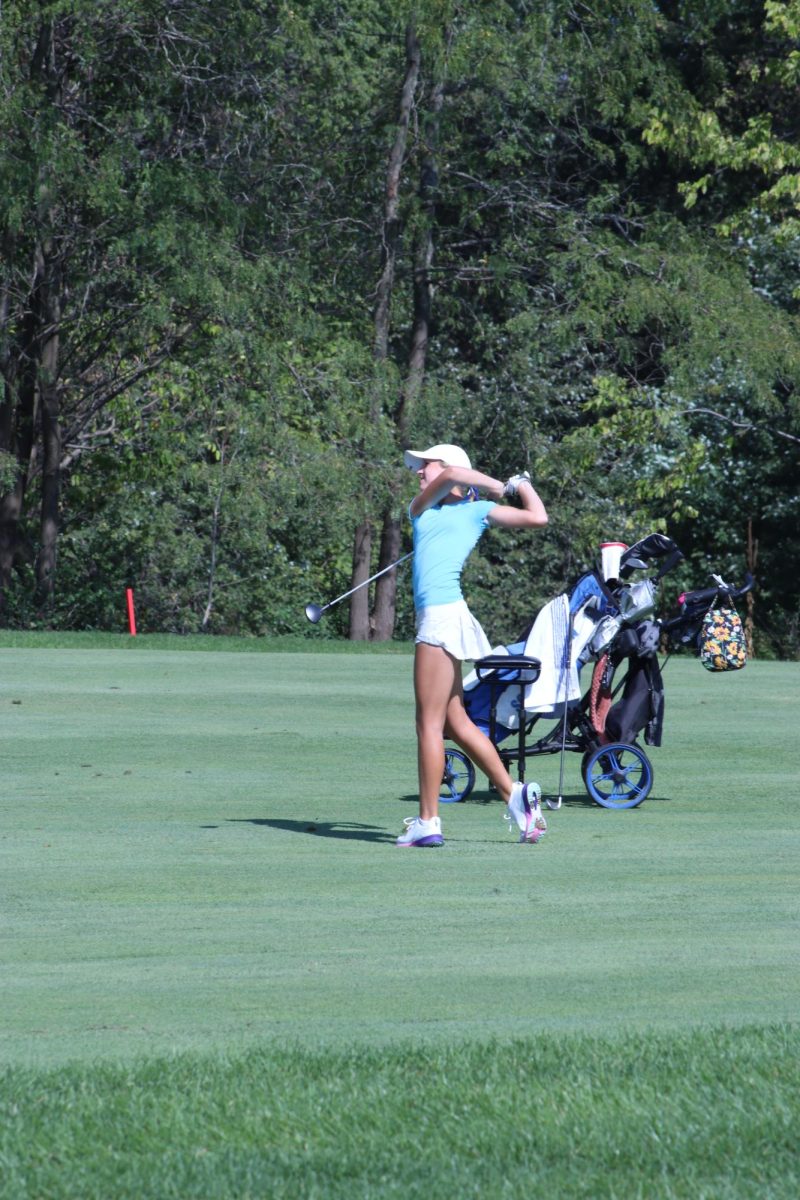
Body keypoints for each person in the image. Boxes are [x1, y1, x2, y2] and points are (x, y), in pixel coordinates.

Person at [397, 443, 549, 848]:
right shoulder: (421, 508)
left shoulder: (474, 509)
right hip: (451, 615)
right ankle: (515, 794)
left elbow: (539, 516)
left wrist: (516, 484)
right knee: (454, 723)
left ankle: (428, 821)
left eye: (425, 466)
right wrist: (504, 485)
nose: (419, 473)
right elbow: (451, 478)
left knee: (426, 724)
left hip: (440, 618)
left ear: (450, 469)